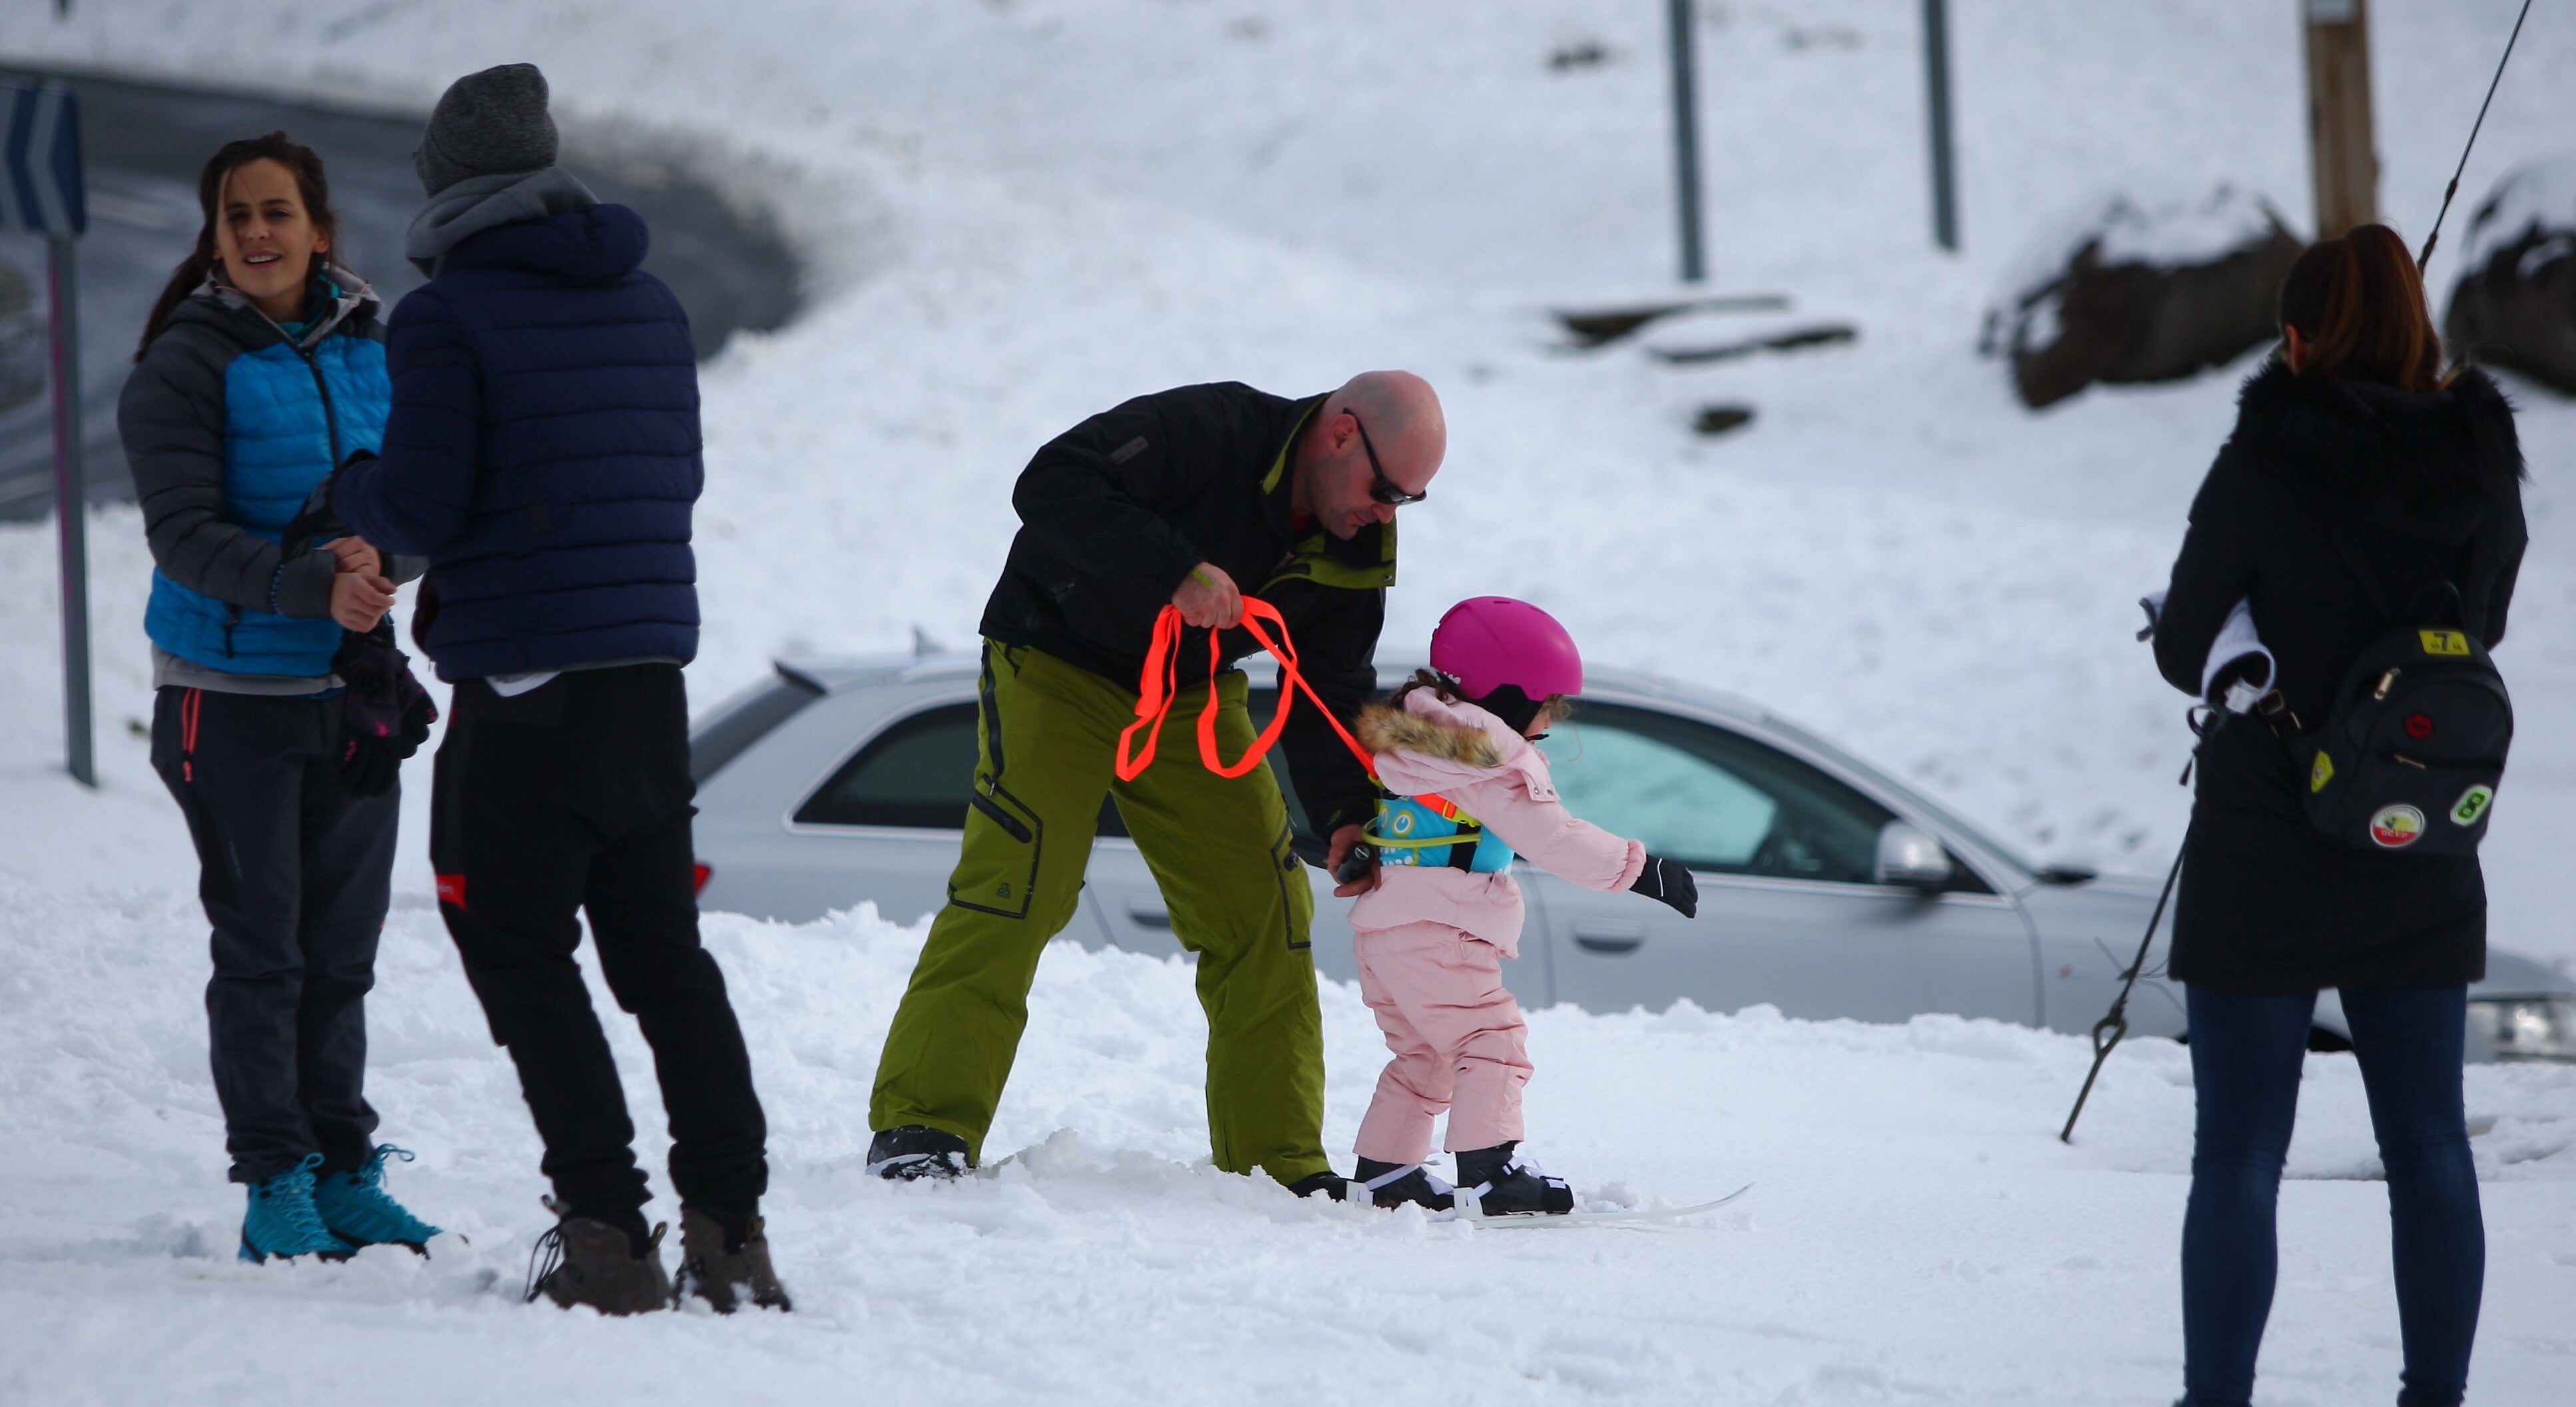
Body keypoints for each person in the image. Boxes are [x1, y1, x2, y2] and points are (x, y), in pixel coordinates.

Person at [328, 63, 787, 1316]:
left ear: (446, 188)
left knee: (520, 950)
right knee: (665, 963)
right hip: (645, 680)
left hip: (526, 693)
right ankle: (732, 1232)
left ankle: (605, 1236)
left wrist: (347, 496)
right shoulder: (648, 302)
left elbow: (418, 509)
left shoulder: (449, 316)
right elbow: (666, 482)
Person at [865, 371, 1446, 1196]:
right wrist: (1175, 569)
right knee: (1020, 885)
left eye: (1407, 502)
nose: (1385, 513)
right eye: (1385, 489)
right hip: (1057, 664)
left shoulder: (1356, 538)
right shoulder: (1211, 429)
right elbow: (1053, 481)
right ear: (1342, 432)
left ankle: (1275, 1163)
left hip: (1187, 696)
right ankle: (923, 1125)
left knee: (1267, 908)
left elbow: (1332, 684)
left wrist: (1350, 812)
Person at [2149, 223, 2525, 1407]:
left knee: (2241, 1150)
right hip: (2415, 830)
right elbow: (2488, 624)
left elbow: (2181, 641)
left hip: (2267, 831)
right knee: (2430, 1143)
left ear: (2300, 338)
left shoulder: (2265, 459)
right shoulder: (2479, 458)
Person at [120, 132, 441, 1263]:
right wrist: (318, 581)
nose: (257, 233)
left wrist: (383, 562)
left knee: (341, 948)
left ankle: (346, 1170)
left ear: (321, 229)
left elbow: (414, 485)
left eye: (276, 213)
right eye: (236, 216)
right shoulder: (184, 361)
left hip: (350, 688)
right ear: (215, 236)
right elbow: (186, 535)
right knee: (265, 951)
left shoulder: (375, 342)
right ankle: (275, 1178)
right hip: (230, 692)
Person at [1342, 598, 1697, 1215]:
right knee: (1490, 1040)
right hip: (1440, 928)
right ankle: (1491, 1176)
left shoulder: (1418, 745)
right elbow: (1551, 837)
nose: (1543, 728)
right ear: (1506, 696)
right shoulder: (1481, 759)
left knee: (1425, 1055)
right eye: (1544, 710)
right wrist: (1643, 871)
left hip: (1386, 930)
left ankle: (1385, 1174)